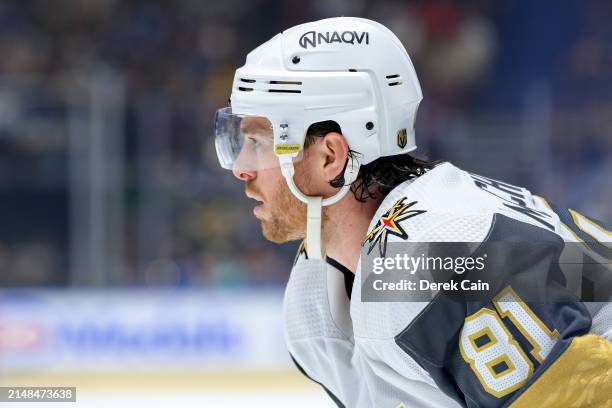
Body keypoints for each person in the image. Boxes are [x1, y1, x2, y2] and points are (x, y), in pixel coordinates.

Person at [214, 17, 612, 408]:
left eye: (258, 142)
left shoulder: (426, 257)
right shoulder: (319, 290)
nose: (240, 168)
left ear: (330, 157)